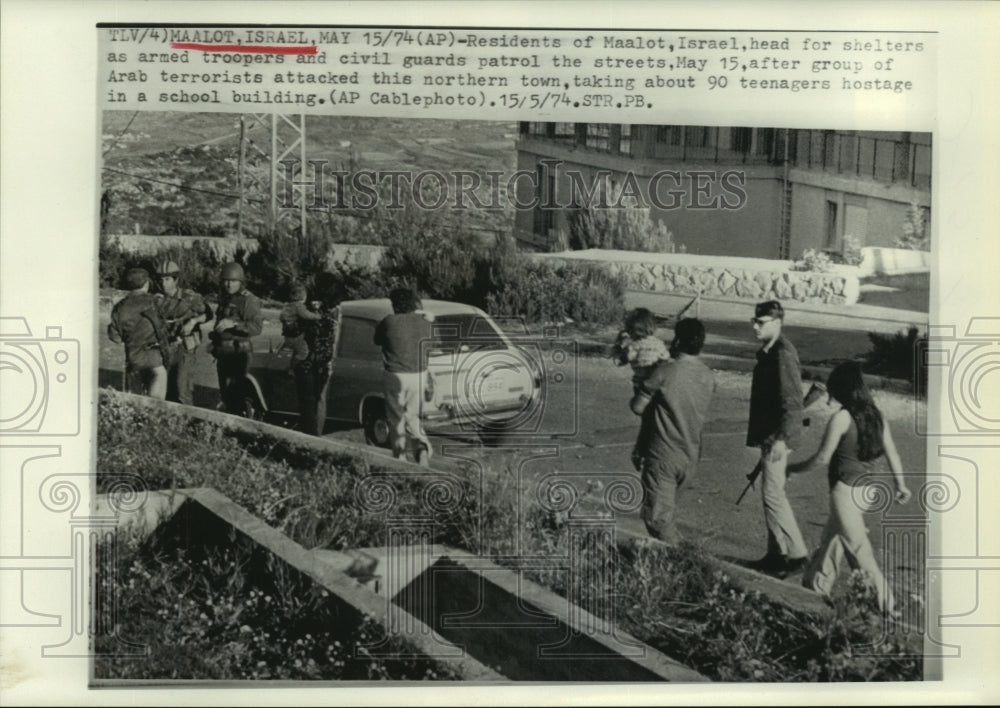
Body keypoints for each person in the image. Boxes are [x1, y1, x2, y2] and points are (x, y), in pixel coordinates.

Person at [787, 361, 912, 616]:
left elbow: (822, 458)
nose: (830, 398)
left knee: (858, 550)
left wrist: (793, 468)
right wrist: (900, 484)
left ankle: (887, 605)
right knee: (832, 539)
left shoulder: (841, 418)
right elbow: (891, 452)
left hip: (845, 491)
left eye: (833, 392)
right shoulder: (876, 414)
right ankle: (814, 587)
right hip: (868, 491)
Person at [629, 318, 715, 545]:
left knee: (658, 520)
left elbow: (638, 407)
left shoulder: (665, 372)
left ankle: (681, 561)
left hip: (663, 456)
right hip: (690, 456)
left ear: (677, 340)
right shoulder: (708, 375)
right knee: (666, 515)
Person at [745, 300, 810, 578]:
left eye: (761, 322)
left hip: (777, 437)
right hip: (771, 434)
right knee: (771, 494)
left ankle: (796, 555)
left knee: (773, 495)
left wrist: (782, 440)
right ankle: (776, 554)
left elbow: (792, 403)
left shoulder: (782, 354)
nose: (755, 326)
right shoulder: (770, 352)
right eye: (755, 321)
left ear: (777, 323)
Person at [373, 287, 433, 466]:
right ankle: (421, 448)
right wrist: (425, 316)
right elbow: (434, 343)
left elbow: (377, 340)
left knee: (396, 418)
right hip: (419, 374)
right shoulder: (425, 323)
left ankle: (400, 459)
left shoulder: (389, 321)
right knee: (413, 416)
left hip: (395, 374)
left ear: (394, 304)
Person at [154, 259, 211, 406]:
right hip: (164, 348)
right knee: (164, 390)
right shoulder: (156, 300)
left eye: (167, 279)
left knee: (182, 390)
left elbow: (208, 314)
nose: (163, 283)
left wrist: (193, 321)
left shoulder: (190, 297)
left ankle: (187, 425)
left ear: (176, 280)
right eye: (161, 280)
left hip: (184, 350)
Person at [107, 267, 169, 400]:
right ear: (147, 283)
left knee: (134, 401)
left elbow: (115, 337)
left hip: (132, 357)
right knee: (156, 402)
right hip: (154, 357)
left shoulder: (119, 307)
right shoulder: (155, 301)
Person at [210, 262, 263, 416]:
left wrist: (233, 323)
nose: (228, 284)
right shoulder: (225, 298)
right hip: (223, 352)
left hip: (238, 353)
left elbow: (256, 327)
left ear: (240, 282)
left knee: (238, 395)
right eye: (225, 281)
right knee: (226, 394)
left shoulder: (249, 300)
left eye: (233, 281)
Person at [293, 284, 343, 437]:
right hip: (326, 360)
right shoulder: (335, 314)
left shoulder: (309, 313)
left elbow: (296, 335)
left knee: (307, 400)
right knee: (320, 398)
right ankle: (317, 434)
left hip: (308, 360)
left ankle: (309, 434)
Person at [613, 307, 670, 393]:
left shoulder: (633, 347)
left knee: (639, 405)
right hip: (658, 383)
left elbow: (618, 362)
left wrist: (618, 344)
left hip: (641, 385)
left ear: (630, 329)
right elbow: (666, 359)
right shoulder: (659, 344)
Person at [279, 282, 323, 370]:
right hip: (296, 335)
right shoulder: (299, 306)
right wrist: (318, 316)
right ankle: (292, 368)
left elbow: (282, 317)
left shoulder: (288, 305)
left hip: (288, 334)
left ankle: (292, 365)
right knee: (303, 352)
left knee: (296, 351)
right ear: (303, 296)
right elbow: (307, 315)